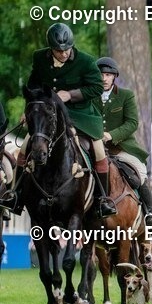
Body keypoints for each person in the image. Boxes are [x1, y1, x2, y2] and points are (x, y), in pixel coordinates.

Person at [0, 23, 116, 217]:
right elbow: (33, 84)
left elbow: (96, 87)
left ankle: (101, 200)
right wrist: (29, 109)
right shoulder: (39, 57)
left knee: (98, 150)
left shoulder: (86, 62)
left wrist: (70, 95)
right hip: (47, 115)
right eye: (58, 50)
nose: (63, 54)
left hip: (80, 115)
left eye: (66, 49)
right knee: (24, 148)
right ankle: (16, 196)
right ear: (50, 48)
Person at [95, 57, 152, 228]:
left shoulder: (125, 95)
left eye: (108, 75)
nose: (104, 78)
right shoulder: (90, 96)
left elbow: (132, 123)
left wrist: (111, 135)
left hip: (120, 148)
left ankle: (149, 214)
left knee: (139, 173)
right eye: (101, 74)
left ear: (114, 77)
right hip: (94, 147)